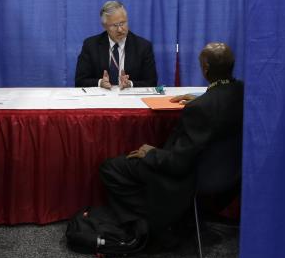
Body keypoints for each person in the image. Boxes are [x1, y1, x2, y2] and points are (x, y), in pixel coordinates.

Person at [98, 42, 244, 240]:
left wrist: (151, 152)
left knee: (110, 167)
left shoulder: (200, 109)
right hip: (232, 176)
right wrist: (201, 96)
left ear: (205, 68)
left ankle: (158, 222)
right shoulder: (243, 93)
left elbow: (178, 163)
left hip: (190, 179)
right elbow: (220, 98)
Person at [74, 0, 158, 89]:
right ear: (105, 26)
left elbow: (151, 82)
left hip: (131, 99)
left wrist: (130, 84)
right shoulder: (91, 45)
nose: (120, 29)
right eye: (114, 25)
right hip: (102, 99)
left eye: (122, 23)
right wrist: (100, 83)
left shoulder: (143, 46)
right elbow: (80, 81)